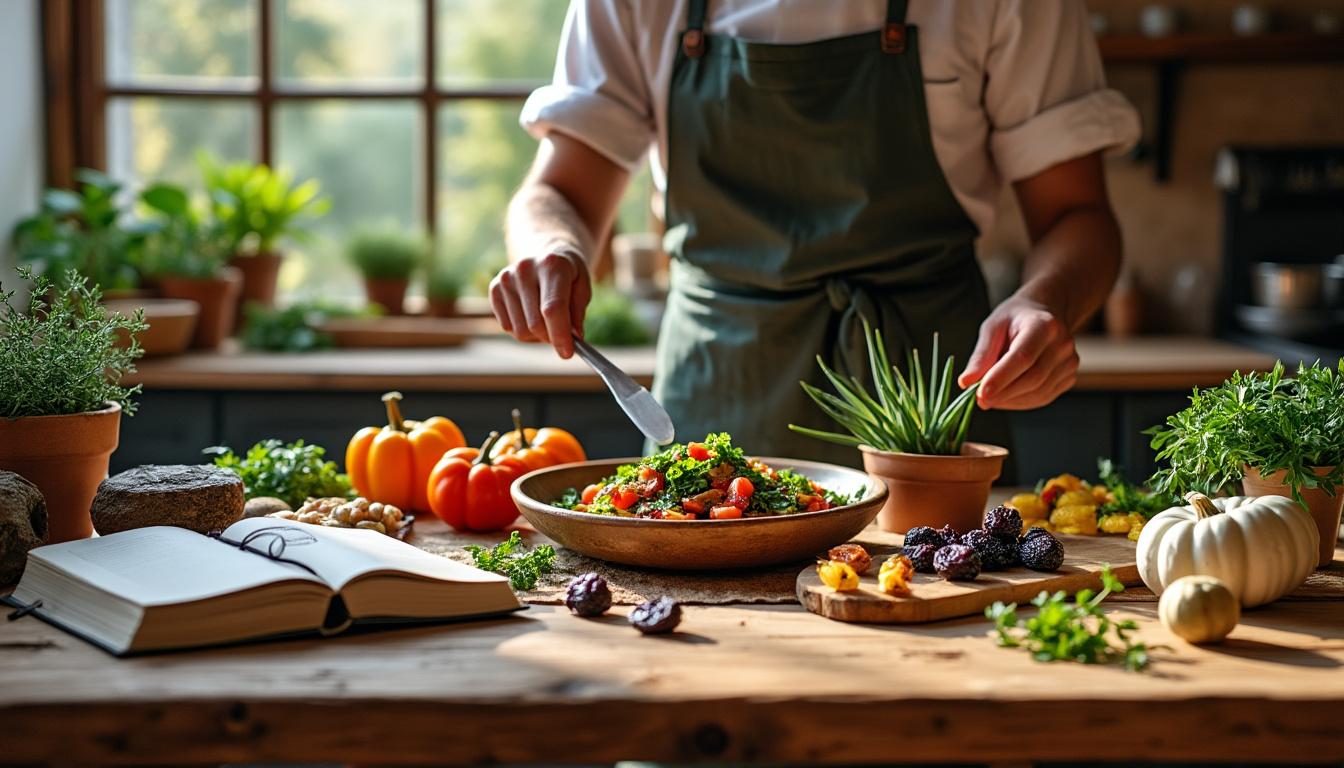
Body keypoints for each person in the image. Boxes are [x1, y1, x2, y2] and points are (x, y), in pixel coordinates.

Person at [490, 0, 1139, 464]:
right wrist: (553, 249)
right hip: (717, 398)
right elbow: (557, 193)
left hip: (928, 423)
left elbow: (1079, 218)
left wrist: (1045, 302)